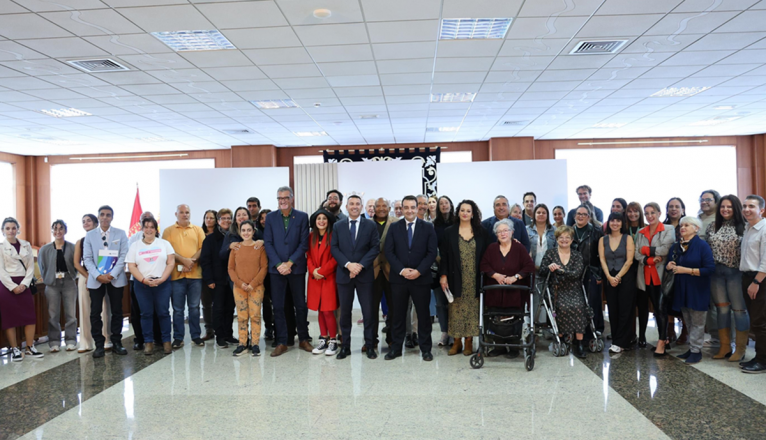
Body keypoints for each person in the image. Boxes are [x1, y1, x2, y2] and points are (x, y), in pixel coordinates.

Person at [384, 195, 438, 361]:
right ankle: (396, 348)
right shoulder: (394, 227)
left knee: (423, 315)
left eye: (412, 207)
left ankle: (426, 349)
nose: (409, 210)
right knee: (398, 315)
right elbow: (389, 252)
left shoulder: (428, 227)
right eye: (405, 207)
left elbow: (431, 253)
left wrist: (418, 271)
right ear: (401, 209)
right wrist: (401, 270)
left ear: (417, 208)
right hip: (399, 279)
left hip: (421, 279)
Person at [264, 186, 313, 357]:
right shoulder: (270, 218)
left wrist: (290, 262)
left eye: (285, 198)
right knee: (277, 306)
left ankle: (304, 339)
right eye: (279, 198)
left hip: (296, 268)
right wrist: (279, 264)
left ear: (292, 198)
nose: (282, 201)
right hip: (276, 270)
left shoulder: (301, 217)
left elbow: (304, 244)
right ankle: (282, 341)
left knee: (300, 305)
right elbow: (268, 243)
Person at [331, 195, 381, 359]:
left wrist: (359, 266)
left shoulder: (370, 225)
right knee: (345, 313)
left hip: (364, 275)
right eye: (351, 204)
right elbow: (335, 248)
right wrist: (348, 265)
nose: (354, 206)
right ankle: (345, 346)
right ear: (346, 206)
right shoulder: (338, 226)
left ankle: (370, 345)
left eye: (357, 204)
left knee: (368, 312)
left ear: (361, 207)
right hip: (344, 275)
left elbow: (375, 247)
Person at [479, 218, 535, 357]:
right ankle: (498, 347)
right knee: (495, 318)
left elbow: (529, 266)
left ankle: (514, 347)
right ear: (496, 234)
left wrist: (515, 277)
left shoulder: (519, 248)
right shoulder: (491, 248)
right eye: (499, 231)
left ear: (512, 232)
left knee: (514, 318)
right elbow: (484, 265)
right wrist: (496, 275)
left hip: (515, 293)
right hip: (495, 292)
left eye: (506, 230)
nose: (503, 234)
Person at [439, 200, 488, 356]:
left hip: (474, 278)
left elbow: (488, 254)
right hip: (455, 276)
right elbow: (444, 256)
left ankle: (468, 341)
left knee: (472, 310)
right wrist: (443, 275)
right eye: (462, 210)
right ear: (458, 212)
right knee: (456, 310)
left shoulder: (482, 232)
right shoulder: (449, 232)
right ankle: (456, 341)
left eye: (468, 211)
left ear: (473, 214)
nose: (465, 213)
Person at [666, 217, 715, 364]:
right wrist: (669, 266)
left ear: (696, 228)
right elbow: (669, 264)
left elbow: (709, 269)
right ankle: (692, 348)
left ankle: (696, 351)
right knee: (687, 320)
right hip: (681, 288)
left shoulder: (702, 246)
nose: (683, 227)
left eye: (687, 225)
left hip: (697, 288)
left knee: (698, 321)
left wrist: (685, 270)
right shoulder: (676, 246)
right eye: (681, 225)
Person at [706, 195, 749, 361]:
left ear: (736, 208)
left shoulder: (745, 227)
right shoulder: (712, 226)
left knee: (739, 311)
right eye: (723, 206)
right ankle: (725, 347)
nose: (725, 210)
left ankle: (740, 349)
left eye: (729, 207)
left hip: (736, 273)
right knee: (722, 310)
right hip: (716, 274)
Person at [83, 205, 129, 358]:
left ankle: (116, 342)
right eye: (102, 215)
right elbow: (87, 259)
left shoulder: (121, 234)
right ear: (98, 217)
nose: (105, 217)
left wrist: (111, 274)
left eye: (108, 215)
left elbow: (123, 256)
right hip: (96, 279)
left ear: (112, 217)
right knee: (95, 312)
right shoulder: (90, 236)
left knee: (117, 311)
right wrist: (98, 275)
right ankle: (99, 345)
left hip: (115, 278)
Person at [538, 226, 590, 358]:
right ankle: (560, 339)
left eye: (567, 237)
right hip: (556, 289)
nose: (564, 240)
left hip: (574, 289)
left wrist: (560, 271)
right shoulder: (550, 253)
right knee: (561, 307)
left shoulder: (577, 255)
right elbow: (541, 271)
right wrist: (550, 268)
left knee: (579, 307)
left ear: (572, 240)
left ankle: (579, 343)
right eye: (561, 237)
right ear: (556, 239)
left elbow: (576, 274)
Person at [126, 217, 175, 355]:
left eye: (152, 227)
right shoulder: (135, 246)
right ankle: (148, 342)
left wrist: (162, 279)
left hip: (162, 284)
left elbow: (170, 263)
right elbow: (131, 266)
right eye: (146, 227)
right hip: (142, 285)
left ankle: (166, 341)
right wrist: (143, 280)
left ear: (156, 229)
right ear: (142, 229)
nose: (149, 230)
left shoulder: (164, 244)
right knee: (146, 314)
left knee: (163, 313)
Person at [162, 204, 206, 349]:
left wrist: (190, 262)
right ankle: (178, 337)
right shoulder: (168, 231)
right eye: (182, 212)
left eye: (187, 212)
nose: (185, 215)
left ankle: (196, 336)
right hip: (176, 276)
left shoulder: (198, 229)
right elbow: (167, 251)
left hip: (195, 275)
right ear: (176, 214)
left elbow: (202, 248)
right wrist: (185, 261)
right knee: (178, 309)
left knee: (194, 307)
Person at [634, 202, 675, 356]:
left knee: (661, 309)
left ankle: (662, 340)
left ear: (659, 213)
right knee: (655, 309)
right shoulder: (641, 231)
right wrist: (649, 259)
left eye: (653, 212)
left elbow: (665, 249)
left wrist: (645, 250)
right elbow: (637, 254)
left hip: (662, 276)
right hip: (646, 275)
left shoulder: (668, 229)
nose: (650, 216)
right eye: (647, 213)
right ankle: (663, 339)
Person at [0, 217, 43, 362]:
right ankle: (15, 349)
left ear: (18, 229)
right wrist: (13, 287)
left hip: (24, 283)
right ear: (3, 231)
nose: (11, 231)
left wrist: (24, 284)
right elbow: (1, 270)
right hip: (7, 285)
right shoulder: (1, 246)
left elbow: (31, 266)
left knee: (30, 317)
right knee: (9, 318)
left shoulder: (26, 244)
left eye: (13, 228)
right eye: (7, 228)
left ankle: (30, 347)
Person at [228, 220, 268, 357]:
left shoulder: (259, 248)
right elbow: (231, 268)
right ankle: (242, 343)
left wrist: (253, 283)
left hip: (255, 287)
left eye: (249, 230)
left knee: (255, 315)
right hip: (239, 288)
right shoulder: (235, 248)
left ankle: (255, 343)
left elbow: (264, 267)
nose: (246, 233)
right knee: (242, 316)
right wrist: (240, 283)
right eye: (243, 230)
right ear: (240, 232)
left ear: (253, 231)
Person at [38, 220, 78, 352]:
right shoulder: (45, 249)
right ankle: (54, 341)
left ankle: (71, 340)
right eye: (55, 229)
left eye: (61, 229)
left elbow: (76, 264)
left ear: (65, 231)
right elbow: (42, 266)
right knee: (52, 314)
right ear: (52, 231)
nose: (58, 231)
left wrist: (72, 275)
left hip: (69, 282)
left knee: (71, 313)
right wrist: (48, 277)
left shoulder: (72, 247)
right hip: (52, 283)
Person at [598, 213, 635, 353]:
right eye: (612, 220)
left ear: (622, 223)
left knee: (625, 309)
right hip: (609, 277)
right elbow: (602, 259)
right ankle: (615, 339)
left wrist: (618, 277)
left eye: (618, 221)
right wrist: (609, 276)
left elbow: (629, 260)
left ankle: (622, 341)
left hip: (625, 277)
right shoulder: (603, 239)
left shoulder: (628, 238)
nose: (615, 223)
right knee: (612, 309)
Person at [200, 208, 237, 348]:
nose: (226, 221)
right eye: (223, 218)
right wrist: (209, 279)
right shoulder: (210, 239)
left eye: (229, 218)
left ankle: (229, 334)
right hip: (217, 279)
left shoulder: (234, 236)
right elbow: (205, 261)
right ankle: (220, 336)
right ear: (218, 221)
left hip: (232, 279)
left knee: (230, 308)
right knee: (218, 308)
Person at [739, 195, 766, 373]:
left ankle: (762, 361)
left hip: (760, 279)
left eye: (751, 206)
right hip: (748, 277)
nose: (747, 209)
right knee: (756, 321)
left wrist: (756, 281)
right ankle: (759, 356)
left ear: (761, 210)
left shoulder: (764, 229)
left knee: (760, 322)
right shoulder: (748, 228)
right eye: (745, 206)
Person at [127, 211, 162, 351]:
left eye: (150, 223)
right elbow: (131, 261)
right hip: (137, 280)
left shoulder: (160, 238)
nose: (148, 227)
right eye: (144, 222)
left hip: (156, 281)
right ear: (141, 224)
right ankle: (139, 339)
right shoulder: (133, 239)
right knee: (138, 312)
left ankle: (158, 337)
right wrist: (142, 278)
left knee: (157, 310)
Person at [74, 214, 108, 353]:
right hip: (85, 276)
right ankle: (86, 342)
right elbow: (76, 263)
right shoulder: (80, 241)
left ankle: (106, 339)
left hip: (102, 276)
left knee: (104, 309)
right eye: (83, 221)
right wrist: (89, 276)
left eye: (88, 220)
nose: (86, 223)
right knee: (85, 309)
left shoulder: (104, 238)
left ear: (96, 223)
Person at [307, 209, 339, 356]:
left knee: (327, 310)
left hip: (328, 278)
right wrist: (313, 270)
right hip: (315, 278)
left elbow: (335, 258)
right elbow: (308, 256)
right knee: (320, 309)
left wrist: (322, 271)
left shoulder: (333, 236)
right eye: (318, 218)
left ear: (329, 221)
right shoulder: (311, 236)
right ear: (314, 221)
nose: (321, 221)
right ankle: (323, 338)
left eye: (324, 219)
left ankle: (333, 340)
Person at [571, 204, 604, 337]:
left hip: (591, 272)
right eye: (578, 214)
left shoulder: (596, 231)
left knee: (593, 302)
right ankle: (578, 332)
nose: (581, 216)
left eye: (584, 214)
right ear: (574, 216)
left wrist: (599, 274)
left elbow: (602, 255)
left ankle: (594, 330)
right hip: (574, 273)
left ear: (589, 217)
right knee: (576, 303)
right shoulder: (569, 232)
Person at [371, 198, 398, 348]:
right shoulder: (367, 223)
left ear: (389, 208)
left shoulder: (396, 222)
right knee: (371, 308)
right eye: (378, 206)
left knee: (393, 307)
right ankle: (371, 340)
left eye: (384, 206)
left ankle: (392, 338)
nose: (381, 208)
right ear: (373, 209)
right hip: (372, 271)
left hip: (391, 270)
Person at [663, 197, 688, 345]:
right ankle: (670, 330)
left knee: (683, 300)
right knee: (668, 298)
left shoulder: (687, 225)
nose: (673, 209)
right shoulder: (663, 226)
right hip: (666, 267)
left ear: (683, 209)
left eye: (677, 207)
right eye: (671, 206)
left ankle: (685, 332)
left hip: (685, 267)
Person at [527, 204, 556, 324]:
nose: (541, 215)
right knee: (533, 299)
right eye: (538, 212)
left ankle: (548, 327)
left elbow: (557, 249)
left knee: (550, 299)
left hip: (550, 269)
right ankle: (532, 327)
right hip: (532, 268)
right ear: (534, 215)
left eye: (544, 212)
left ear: (547, 215)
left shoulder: (553, 230)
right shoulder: (527, 229)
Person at [433, 195, 455, 345]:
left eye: (446, 202)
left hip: (454, 268)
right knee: (441, 303)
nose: (444, 205)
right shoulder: (434, 224)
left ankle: (455, 333)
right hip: (439, 266)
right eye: (441, 203)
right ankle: (444, 332)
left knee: (454, 302)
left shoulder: (458, 222)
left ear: (451, 205)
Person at [626, 202, 646, 346]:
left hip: (642, 269)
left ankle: (643, 335)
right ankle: (630, 334)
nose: (632, 214)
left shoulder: (646, 228)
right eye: (630, 211)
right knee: (629, 305)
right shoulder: (623, 229)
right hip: (626, 270)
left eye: (636, 211)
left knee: (643, 304)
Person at [256, 209, 276, 342]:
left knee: (277, 301)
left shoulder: (276, 231)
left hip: (275, 270)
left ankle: (279, 328)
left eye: (267, 217)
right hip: (261, 272)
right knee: (265, 302)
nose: (264, 220)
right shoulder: (256, 232)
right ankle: (269, 327)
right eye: (262, 218)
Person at [199, 209, 218, 341]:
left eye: (212, 218)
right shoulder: (200, 234)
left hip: (218, 273)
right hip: (203, 273)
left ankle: (220, 329)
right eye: (207, 217)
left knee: (219, 303)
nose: (209, 220)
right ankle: (209, 330)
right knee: (206, 303)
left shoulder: (220, 234)